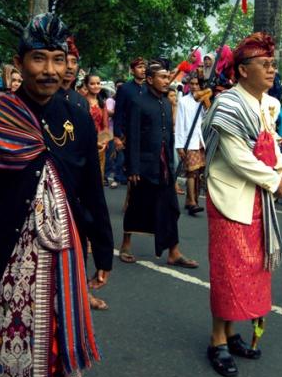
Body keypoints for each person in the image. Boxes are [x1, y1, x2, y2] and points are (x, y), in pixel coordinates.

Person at [0, 13, 111, 377]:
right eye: (39, 59)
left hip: (66, 255)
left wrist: (104, 249)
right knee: (11, 348)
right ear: (19, 62)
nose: (49, 70)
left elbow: (91, 188)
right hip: (8, 258)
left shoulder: (77, 115)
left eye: (58, 60)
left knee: (55, 351)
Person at [202, 32, 282, 377]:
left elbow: (274, 146)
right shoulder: (228, 105)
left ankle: (233, 331)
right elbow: (238, 159)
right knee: (228, 273)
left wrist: (279, 169)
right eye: (264, 64)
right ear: (241, 70)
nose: (271, 70)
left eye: (272, 64)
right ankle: (216, 340)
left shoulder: (268, 104)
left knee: (252, 272)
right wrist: (274, 179)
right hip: (231, 200)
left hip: (257, 200)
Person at [119, 60, 199, 268]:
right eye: (162, 77)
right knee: (137, 206)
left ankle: (174, 251)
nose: (167, 81)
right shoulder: (138, 102)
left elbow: (169, 135)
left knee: (171, 208)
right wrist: (133, 167)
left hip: (163, 166)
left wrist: (173, 165)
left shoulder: (166, 102)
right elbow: (133, 136)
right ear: (149, 79)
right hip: (143, 166)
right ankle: (126, 244)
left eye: (167, 77)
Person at [113, 57, 147, 187]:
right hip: (128, 136)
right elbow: (118, 113)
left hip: (145, 135)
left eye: (144, 67)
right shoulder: (125, 89)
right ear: (132, 70)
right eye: (139, 67)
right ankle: (130, 203)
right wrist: (117, 136)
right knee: (131, 171)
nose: (143, 70)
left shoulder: (148, 89)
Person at [175, 74, 206, 215]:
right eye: (191, 84)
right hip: (189, 141)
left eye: (196, 84)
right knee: (191, 172)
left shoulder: (203, 100)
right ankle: (193, 202)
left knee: (198, 173)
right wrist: (180, 145)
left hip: (201, 141)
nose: (194, 86)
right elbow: (180, 124)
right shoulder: (183, 101)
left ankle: (190, 200)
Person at [85, 74, 110, 181]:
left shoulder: (102, 103)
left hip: (100, 145)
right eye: (92, 84)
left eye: (98, 83)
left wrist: (104, 143)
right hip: (85, 143)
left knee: (98, 175)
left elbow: (105, 125)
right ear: (86, 85)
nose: (96, 86)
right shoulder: (81, 101)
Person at [59, 37, 89, 110]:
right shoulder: (45, 97)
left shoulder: (82, 101)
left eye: (74, 62)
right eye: (64, 61)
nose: (70, 67)